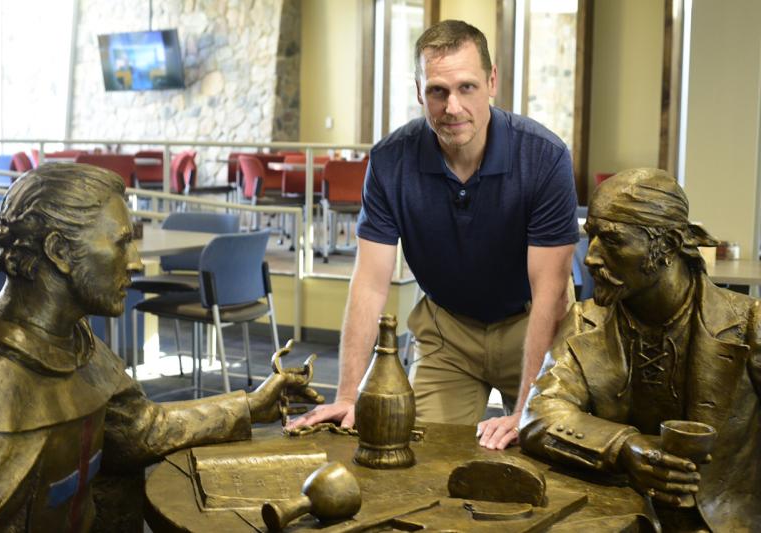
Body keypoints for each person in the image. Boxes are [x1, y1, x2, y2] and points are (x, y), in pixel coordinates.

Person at [0, 163, 320, 533]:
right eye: (121, 242)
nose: (135, 261)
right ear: (59, 252)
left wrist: (250, 404)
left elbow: (141, 429)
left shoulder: (77, 343)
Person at [289, 19, 578, 450]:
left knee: (548, 450)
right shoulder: (390, 161)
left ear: (492, 80)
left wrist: (527, 409)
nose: (453, 107)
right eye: (438, 91)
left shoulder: (544, 158)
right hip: (448, 332)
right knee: (413, 453)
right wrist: (347, 395)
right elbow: (370, 283)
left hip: (533, 321)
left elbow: (550, 290)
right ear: (419, 91)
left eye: (467, 87)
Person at [519, 168, 761, 532]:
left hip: (724, 521)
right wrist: (624, 448)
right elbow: (538, 414)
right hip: (618, 517)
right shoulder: (586, 321)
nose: (591, 257)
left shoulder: (748, 324)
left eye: (612, 241)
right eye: (592, 237)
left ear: (666, 246)